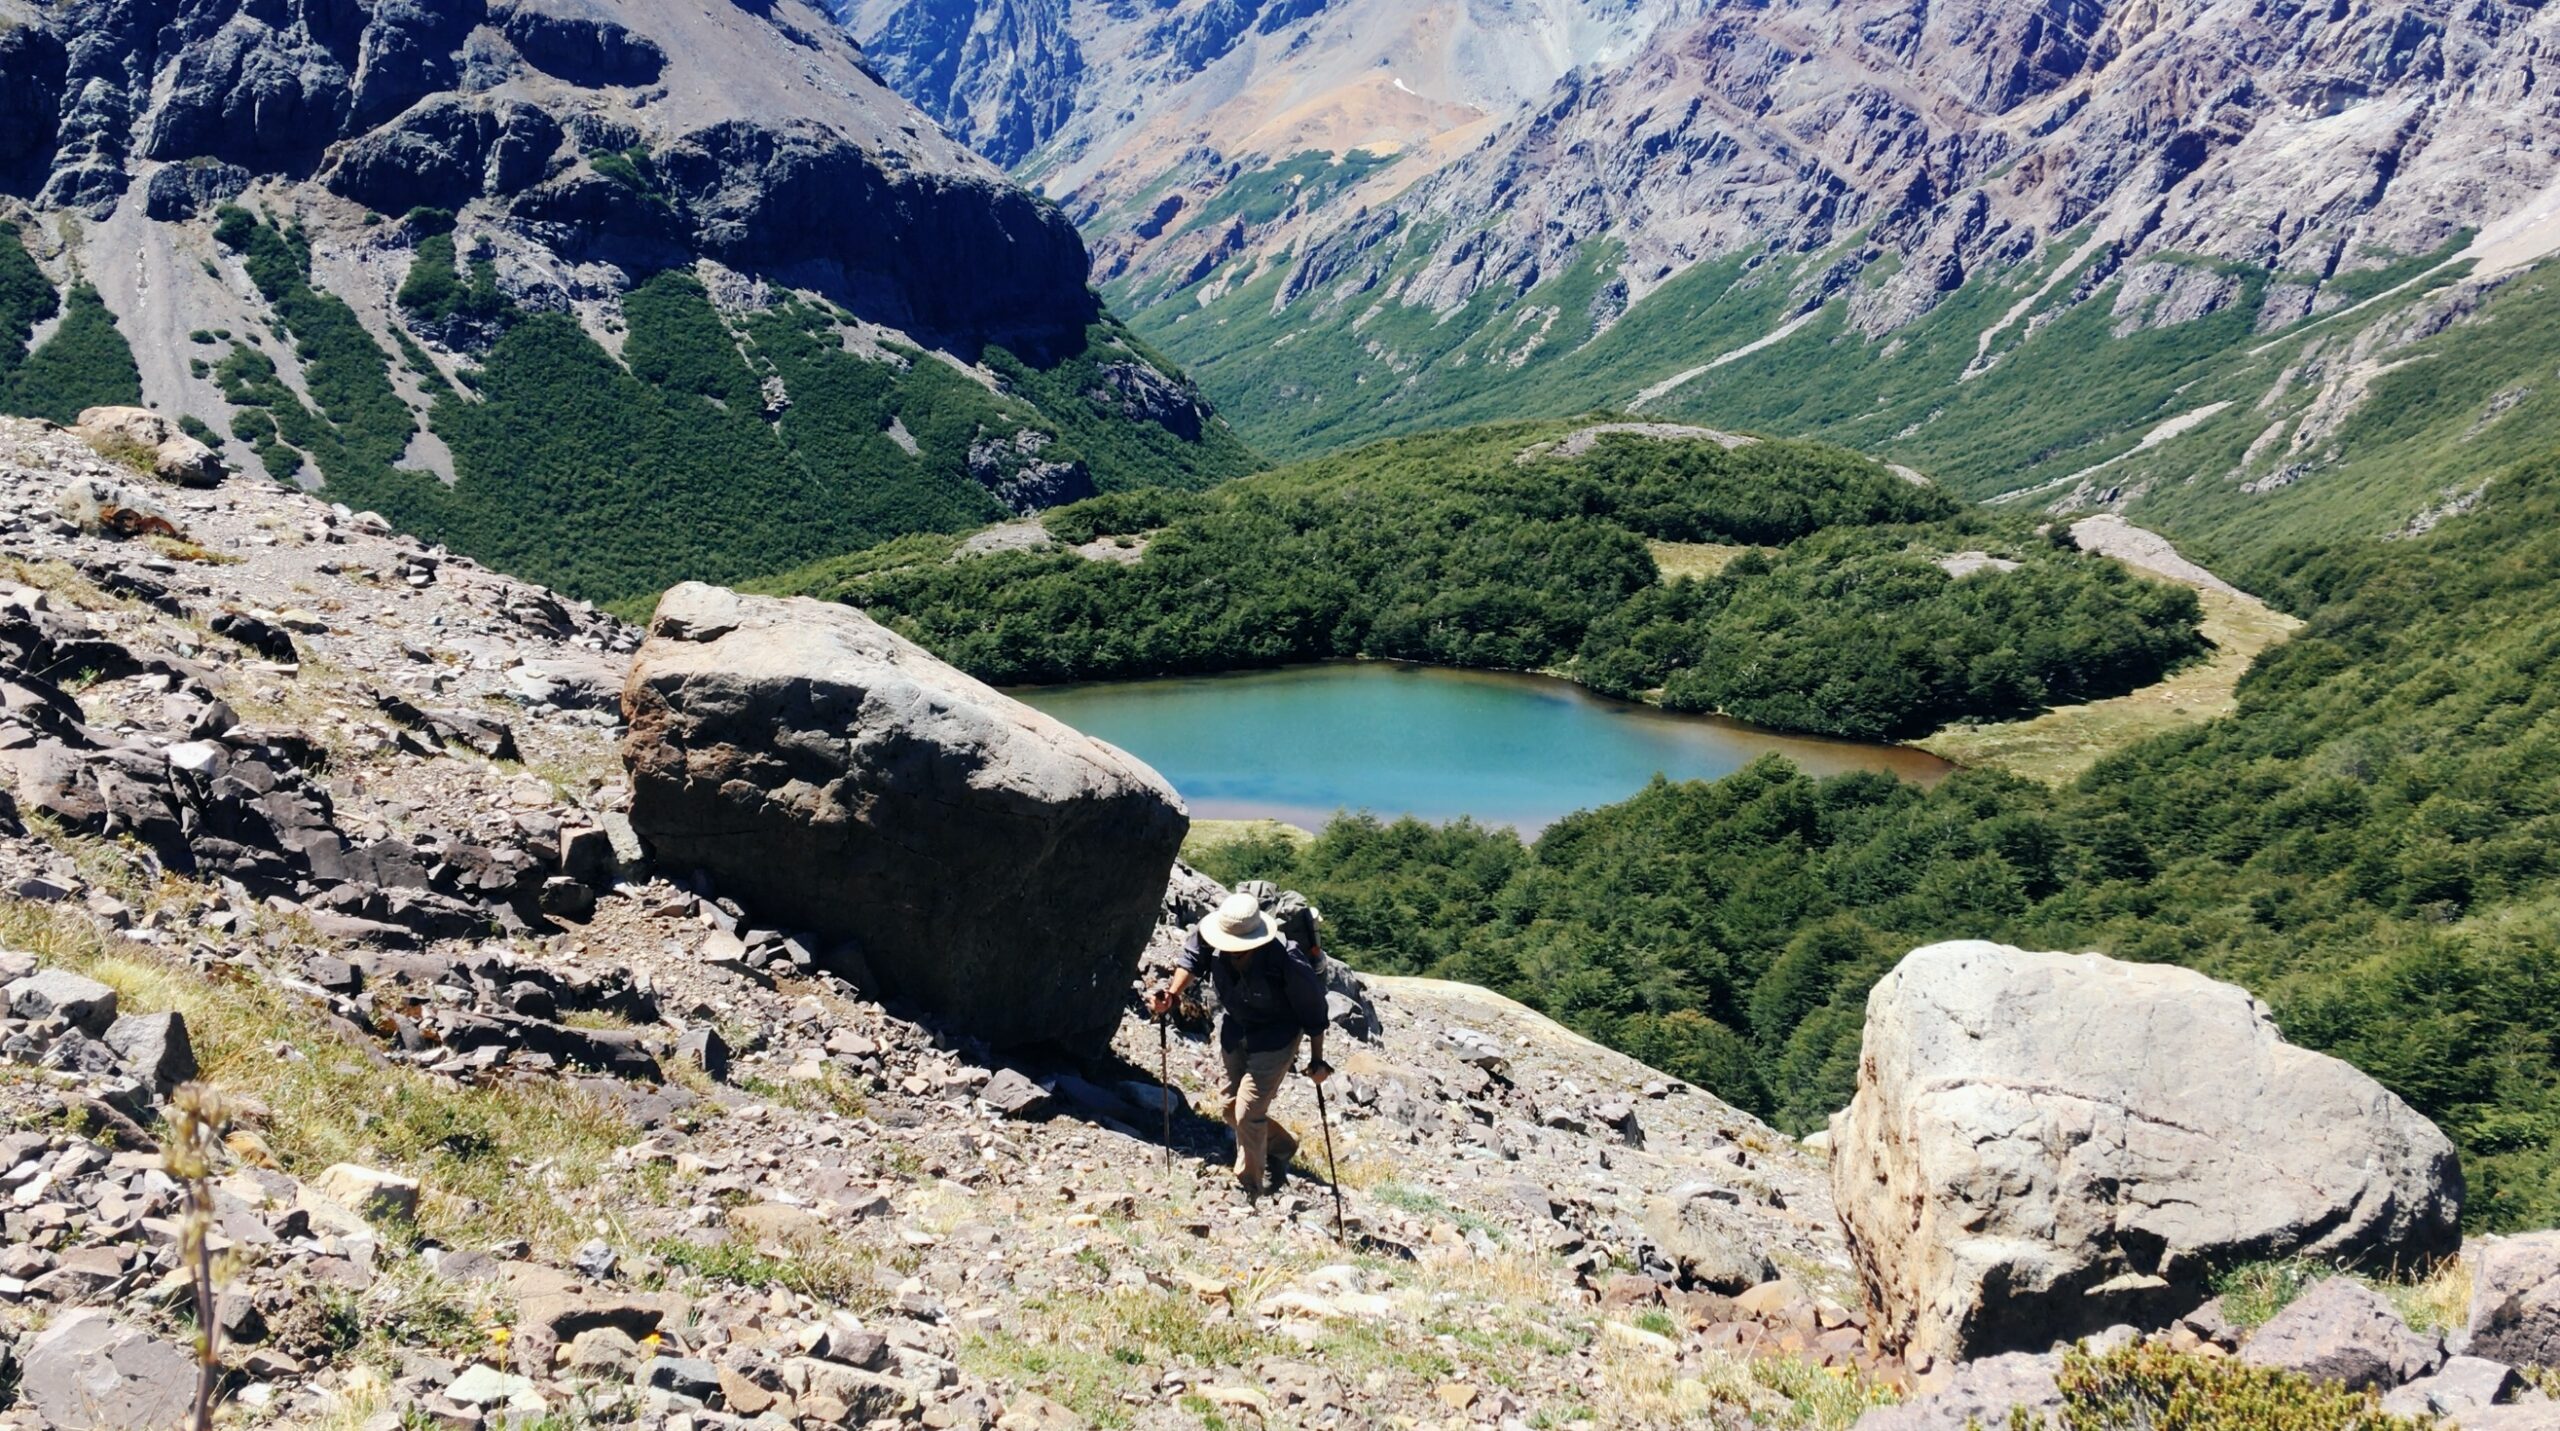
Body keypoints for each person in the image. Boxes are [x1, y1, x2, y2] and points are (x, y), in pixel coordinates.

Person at [1149, 891, 1332, 1197]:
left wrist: (1317, 1061)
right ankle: (1282, 1147)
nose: (1229, 950)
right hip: (1236, 1029)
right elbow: (1192, 959)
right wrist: (1173, 994)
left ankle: (1250, 1186)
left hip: (1277, 1038)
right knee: (1230, 1110)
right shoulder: (1213, 936)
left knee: (1248, 1112)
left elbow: (1314, 1012)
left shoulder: (1286, 960)